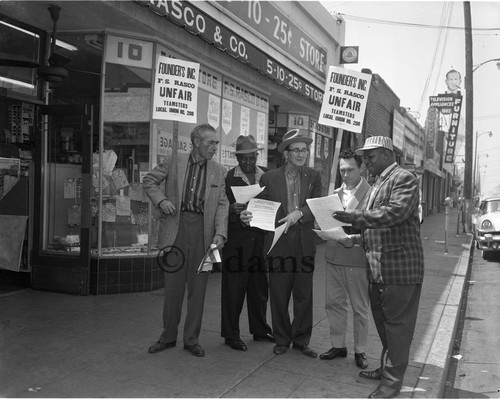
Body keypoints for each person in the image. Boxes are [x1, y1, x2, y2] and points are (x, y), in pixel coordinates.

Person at [334, 136, 424, 399]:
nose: (366, 163)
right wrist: (354, 238)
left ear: (386, 154)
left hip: (399, 271)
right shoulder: (379, 182)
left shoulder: (404, 178)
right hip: (378, 270)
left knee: (397, 329)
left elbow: (394, 214)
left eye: (370, 157)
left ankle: (391, 385)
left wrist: (356, 218)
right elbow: (382, 231)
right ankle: (387, 371)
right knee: (386, 327)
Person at [143, 124, 229, 358]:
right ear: (196, 141)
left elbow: (222, 203)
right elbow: (149, 181)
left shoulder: (219, 171)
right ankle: (168, 336)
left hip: (205, 233)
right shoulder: (174, 160)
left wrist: (221, 232)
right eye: (211, 142)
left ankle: (192, 339)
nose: (214, 147)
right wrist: (161, 201)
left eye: (216, 143)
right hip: (176, 228)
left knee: (199, 288)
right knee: (173, 288)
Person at [241, 129, 322, 358]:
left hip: (304, 243)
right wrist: (248, 215)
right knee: (278, 293)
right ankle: (282, 339)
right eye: (296, 150)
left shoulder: (313, 176)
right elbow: (260, 208)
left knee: (304, 295)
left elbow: (316, 205)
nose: (301, 154)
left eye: (304, 150)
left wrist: (300, 214)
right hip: (278, 244)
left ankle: (301, 340)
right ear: (286, 153)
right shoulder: (269, 178)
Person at [221, 135, 274, 351]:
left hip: (259, 241)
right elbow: (221, 208)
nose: (248, 163)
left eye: (251, 159)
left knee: (259, 289)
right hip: (237, 242)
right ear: (237, 158)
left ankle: (260, 329)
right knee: (234, 289)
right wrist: (232, 211)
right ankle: (231, 334)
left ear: (256, 156)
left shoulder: (266, 176)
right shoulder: (229, 178)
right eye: (243, 160)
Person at [319, 149, 371, 370]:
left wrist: (356, 238)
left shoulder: (372, 194)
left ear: (361, 169)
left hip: (357, 259)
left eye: (350, 169)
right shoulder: (334, 193)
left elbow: (377, 228)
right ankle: (338, 345)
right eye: (342, 170)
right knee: (334, 304)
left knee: (359, 308)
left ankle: (360, 350)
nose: (346, 174)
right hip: (333, 257)